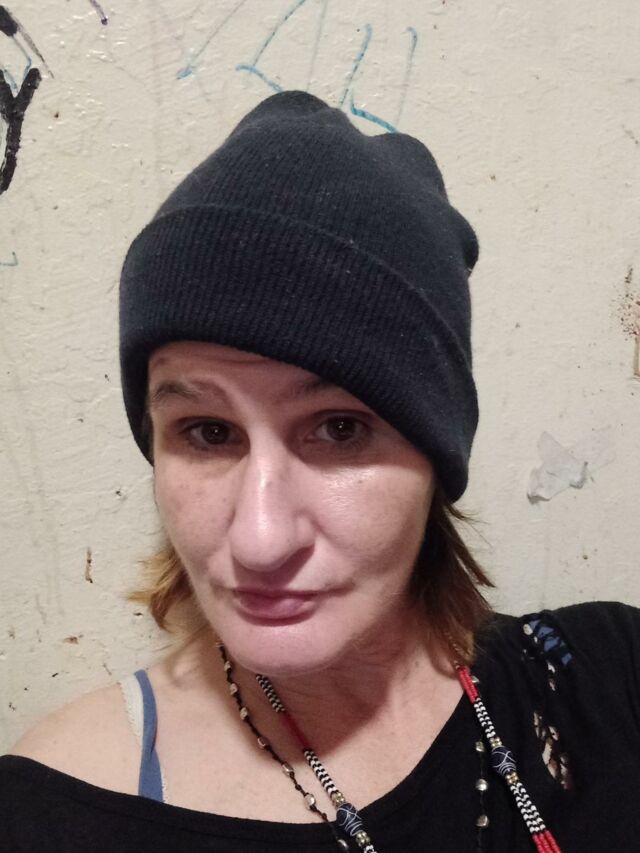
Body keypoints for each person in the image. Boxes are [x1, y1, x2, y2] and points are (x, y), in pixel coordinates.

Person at [0, 90, 638, 853]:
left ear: (437, 454)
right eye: (208, 431)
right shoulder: (51, 815)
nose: (261, 539)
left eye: (340, 428)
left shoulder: (612, 681)